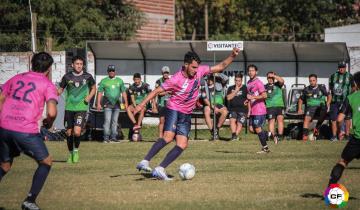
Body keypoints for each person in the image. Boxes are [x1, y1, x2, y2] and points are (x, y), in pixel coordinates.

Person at [135, 48, 240, 180]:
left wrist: (232, 56)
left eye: (197, 67)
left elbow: (220, 66)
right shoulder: (175, 79)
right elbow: (156, 91)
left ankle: (160, 169)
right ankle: (145, 161)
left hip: (186, 113)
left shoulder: (200, 71)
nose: (196, 70)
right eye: (193, 67)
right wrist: (141, 104)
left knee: (182, 144)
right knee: (168, 137)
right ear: (186, 65)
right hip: (174, 109)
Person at [0, 52, 58, 210]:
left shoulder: (16, 78)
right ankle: (29, 201)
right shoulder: (47, 84)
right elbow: (52, 112)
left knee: (5, 165)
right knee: (46, 162)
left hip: (4, 127)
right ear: (48, 69)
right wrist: (49, 121)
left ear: (31, 64)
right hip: (25, 130)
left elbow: (1, 96)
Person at [58, 56, 96, 163]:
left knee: (77, 132)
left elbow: (94, 88)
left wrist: (89, 97)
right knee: (69, 133)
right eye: (77, 64)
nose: (79, 66)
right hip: (69, 108)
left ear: (82, 65)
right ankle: (70, 154)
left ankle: (76, 151)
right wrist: (52, 96)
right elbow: (60, 89)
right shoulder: (67, 77)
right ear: (72, 65)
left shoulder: (88, 76)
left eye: (80, 64)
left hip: (81, 107)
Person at [327, 71, 360, 186]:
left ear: (355, 84)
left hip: (357, 139)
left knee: (343, 162)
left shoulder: (351, 98)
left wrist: (341, 131)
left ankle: (330, 188)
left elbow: (340, 119)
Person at [96, 65, 128, 143]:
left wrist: (126, 103)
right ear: (108, 72)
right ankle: (106, 138)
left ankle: (113, 137)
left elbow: (123, 92)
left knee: (115, 121)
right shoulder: (104, 81)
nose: (111, 72)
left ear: (115, 72)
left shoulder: (119, 80)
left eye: (112, 71)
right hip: (107, 104)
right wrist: (98, 104)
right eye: (110, 71)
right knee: (107, 121)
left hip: (117, 104)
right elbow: (99, 92)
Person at [298, 74, 330, 141]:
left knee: (324, 108)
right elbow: (300, 99)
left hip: (321, 107)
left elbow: (329, 95)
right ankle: (305, 136)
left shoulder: (322, 87)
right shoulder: (306, 89)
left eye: (313, 80)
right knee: (306, 119)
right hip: (310, 108)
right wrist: (299, 108)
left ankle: (317, 127)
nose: (312, 82)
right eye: (310, 81)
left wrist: (327, 104)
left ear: (316, 80)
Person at [247, 64, 270, 153]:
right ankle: (270, 134)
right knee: (252, 129)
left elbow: (265, 95)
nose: (251, 72)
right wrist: (248, 101)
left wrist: (253, 98)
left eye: (252, 70)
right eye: (249, 70)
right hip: (253, 110)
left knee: (257, 128)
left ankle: (265, 148)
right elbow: (251, 95)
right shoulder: (249, 82)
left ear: (256, 72)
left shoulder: (258, 82)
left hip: (259, 110)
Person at [328, 61, 354, 141]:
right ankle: (334, 136)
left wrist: (350, 96)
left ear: (345, 67)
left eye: (343, 67)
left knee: (347, 118)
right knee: (333, 119)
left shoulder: (350, 76)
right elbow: (330, 89)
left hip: (346, 100)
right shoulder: (333, 76)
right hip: (335, 101)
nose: (341, 69)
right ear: (338, 67)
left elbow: (353, 87)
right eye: (340, 67)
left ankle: (347, 135)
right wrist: (328, 102)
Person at [202, 74, 228, 140]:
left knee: (225, 112)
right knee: (206, 110)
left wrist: (217, 74)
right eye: (208, 78)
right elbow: (205, 99)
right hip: (210, 104)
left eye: (211, 78)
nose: (209, 80)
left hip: (219, 104)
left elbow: (226, 78)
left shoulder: (220, 84)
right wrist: (213, 107)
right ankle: (212, 131)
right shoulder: (204, 87)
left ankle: (216, 129)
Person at [126, 73, 151, 138]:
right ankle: (135, 124)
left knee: (142, 110)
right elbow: (132, 98)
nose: (136, 81)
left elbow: (150, 96)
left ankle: (138, 126)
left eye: (138, 79)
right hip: (136, 104)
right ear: (133, 79)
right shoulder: (131, 87)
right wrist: (135, 106)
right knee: (128, 109)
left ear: (140, 79)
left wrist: (153, 106)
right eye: (135, 79)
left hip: (144, 104)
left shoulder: (146, 85)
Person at [226, 73, 249, 141]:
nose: (237, 82)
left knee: (239, 123)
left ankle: (235, 136)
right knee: (232, 120)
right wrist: (236, 90)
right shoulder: (231, 88)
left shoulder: (245, 88)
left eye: (239, 80)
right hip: (233, 109)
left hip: (243, 110)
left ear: (241, 81)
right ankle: (234, 135)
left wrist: (249, 109)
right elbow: (228, 98)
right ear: (234, 80)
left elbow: (249, 98)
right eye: (236, 80)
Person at [265, 72, 285, 144]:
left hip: (279, 105)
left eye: (271, 78)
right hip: (270, 106)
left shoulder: (278, 84)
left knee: (280, 120)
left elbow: (282, 81)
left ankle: (280, 136)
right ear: (267, 78)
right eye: (269, 78)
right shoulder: (265, 87)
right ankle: (273, 136)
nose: (270, 79)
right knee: (271, 121)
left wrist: (274, 75)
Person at [154, 66, 171, 138]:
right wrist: (167, 92)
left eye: (167, 73)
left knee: (170, 121)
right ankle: (160, 137)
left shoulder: (172, 80)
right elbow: (157, 93)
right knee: (162, 120)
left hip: (170, 104)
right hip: (161, 104)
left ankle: (168, 136)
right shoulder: (158, 81)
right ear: (162, 73)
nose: (166, 74)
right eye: (164, 73)